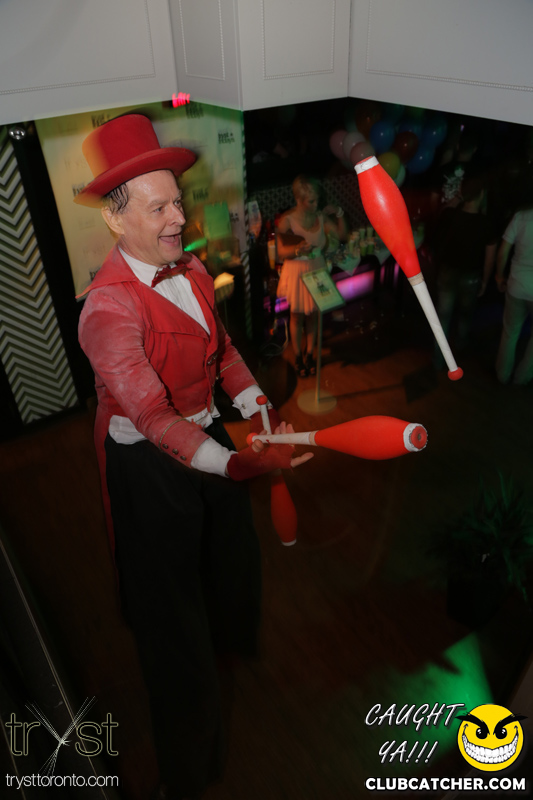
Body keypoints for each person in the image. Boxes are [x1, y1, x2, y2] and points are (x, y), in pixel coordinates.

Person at [74, 113, 312, 800]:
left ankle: (228, 652)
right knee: (171, 628)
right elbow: (152, 418)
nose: (179, 217)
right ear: (115, 220)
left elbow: (224, 353)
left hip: (208, 444)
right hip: (149, 468)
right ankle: (187, 772)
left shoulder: (195, 268)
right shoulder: (105, 313)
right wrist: (235, 464)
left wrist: (258, 411)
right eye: (159, 208)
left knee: (231, 559)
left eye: (177, 200)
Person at [276, 175, 347, 377]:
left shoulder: (320, 217)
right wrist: (298, 250)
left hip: (317, 269)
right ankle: (298, 356)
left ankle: (309, 355)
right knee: (297, 315)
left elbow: (341, 235)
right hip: (297, 271)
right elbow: (280, 253)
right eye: (311, 201)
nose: (316, 205)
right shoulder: (287, 220)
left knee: (314, 316)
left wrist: (340, 213)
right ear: (299, 200)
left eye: (317, 200)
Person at [431, 177, 496, 358]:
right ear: (482, 194)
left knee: (443, 317)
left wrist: (459, 196)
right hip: (471, 276)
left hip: (447, 272)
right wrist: (485, 281)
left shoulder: (450, 215)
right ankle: (460, 347)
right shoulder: (486, 223)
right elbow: (490, 258)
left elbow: (443, 212)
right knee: (465, 315)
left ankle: (438, 357)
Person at [495, 202, 533, 385]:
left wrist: (499, 276)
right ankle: (523, 377)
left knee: (510, 332)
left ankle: (502, 374)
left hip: (517, 285)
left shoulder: (521, 216)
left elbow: (503, 252)